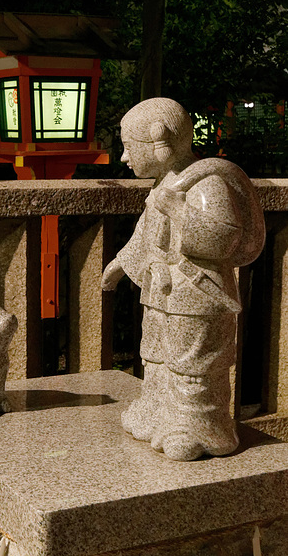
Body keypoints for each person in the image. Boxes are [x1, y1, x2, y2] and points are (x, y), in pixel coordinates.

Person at [102, 98, 265, 461]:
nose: (125, 159)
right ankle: (158, 409)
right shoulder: (165, 182)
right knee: (156, 356)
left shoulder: (206, 183)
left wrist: (178, 209)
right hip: (161, 290)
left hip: (198, 291)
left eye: (129, 148)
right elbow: (146, 235)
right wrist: (120, 263)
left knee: (195, 364)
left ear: (160, 143)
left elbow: (223, 238)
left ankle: (201, 427)